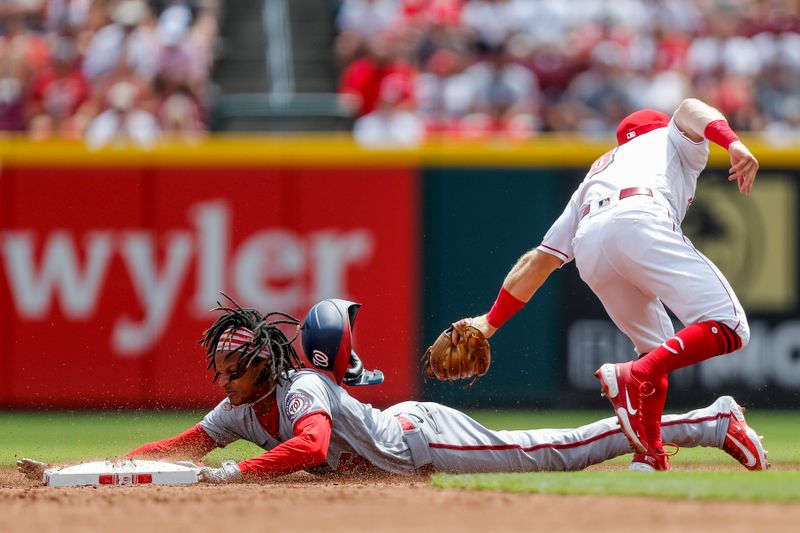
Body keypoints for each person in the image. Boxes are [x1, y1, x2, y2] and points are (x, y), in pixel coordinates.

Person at [18, 296, 767, 484]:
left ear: (264, 363)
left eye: (235, 364)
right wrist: (114, 467)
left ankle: (707, 419)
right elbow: (183, 441)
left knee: (557, 451)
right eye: (223, 363)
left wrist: (233, 474)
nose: (224, 376)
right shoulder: (240, 405)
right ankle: (704, 421)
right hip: (396, 448)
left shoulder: (302, 385)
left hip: (416, 440)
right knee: (557, 453)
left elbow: (310, 443)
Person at [446, 97, 760, 471]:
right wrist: (733, 141)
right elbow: (692, 108)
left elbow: (539, 260)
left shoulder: (597, 173)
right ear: (658, 128)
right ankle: (634, 375)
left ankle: (649, 454)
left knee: (654, 348)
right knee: (731, 325)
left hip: (591, 244)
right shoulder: (670, 139)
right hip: (639, 219)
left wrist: (490, 321)